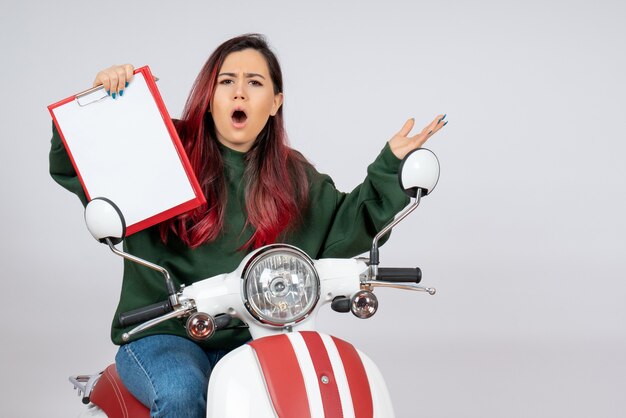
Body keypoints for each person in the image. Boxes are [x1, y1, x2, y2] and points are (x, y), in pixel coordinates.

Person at [49, 34, 447, 418]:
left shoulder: (292, 175)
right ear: (210, 96)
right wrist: (105, 102)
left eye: (254, 83)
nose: (239, 93)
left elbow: (347, 225)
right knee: (183, 394)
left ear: (275, 102)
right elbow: (80, 165)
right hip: (164, 333)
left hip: (254, 334)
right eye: (227, 81)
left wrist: (390, 166)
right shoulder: (163, 152)